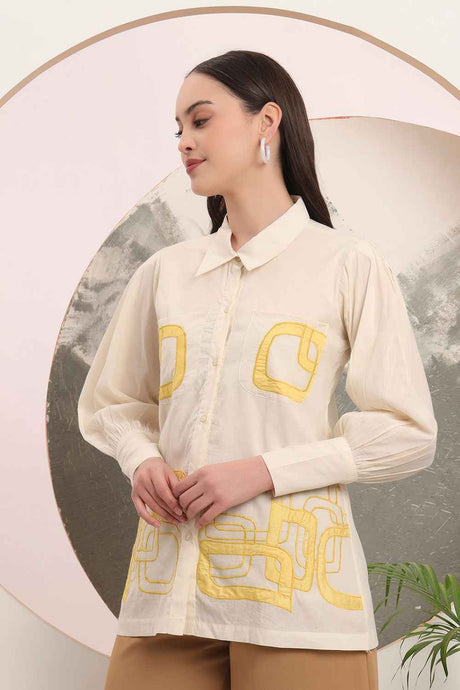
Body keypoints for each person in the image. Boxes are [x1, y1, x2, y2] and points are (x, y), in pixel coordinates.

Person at [77, 50, 438, 690]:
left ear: (267, 121)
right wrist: (141, 460)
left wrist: (264, 471)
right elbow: (113, 404)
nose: (184, 142)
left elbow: (409, 432)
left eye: (201, 120)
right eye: (178, 129)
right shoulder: (164, 274)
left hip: (296, 607)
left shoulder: (347, 264)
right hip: (168, 598)